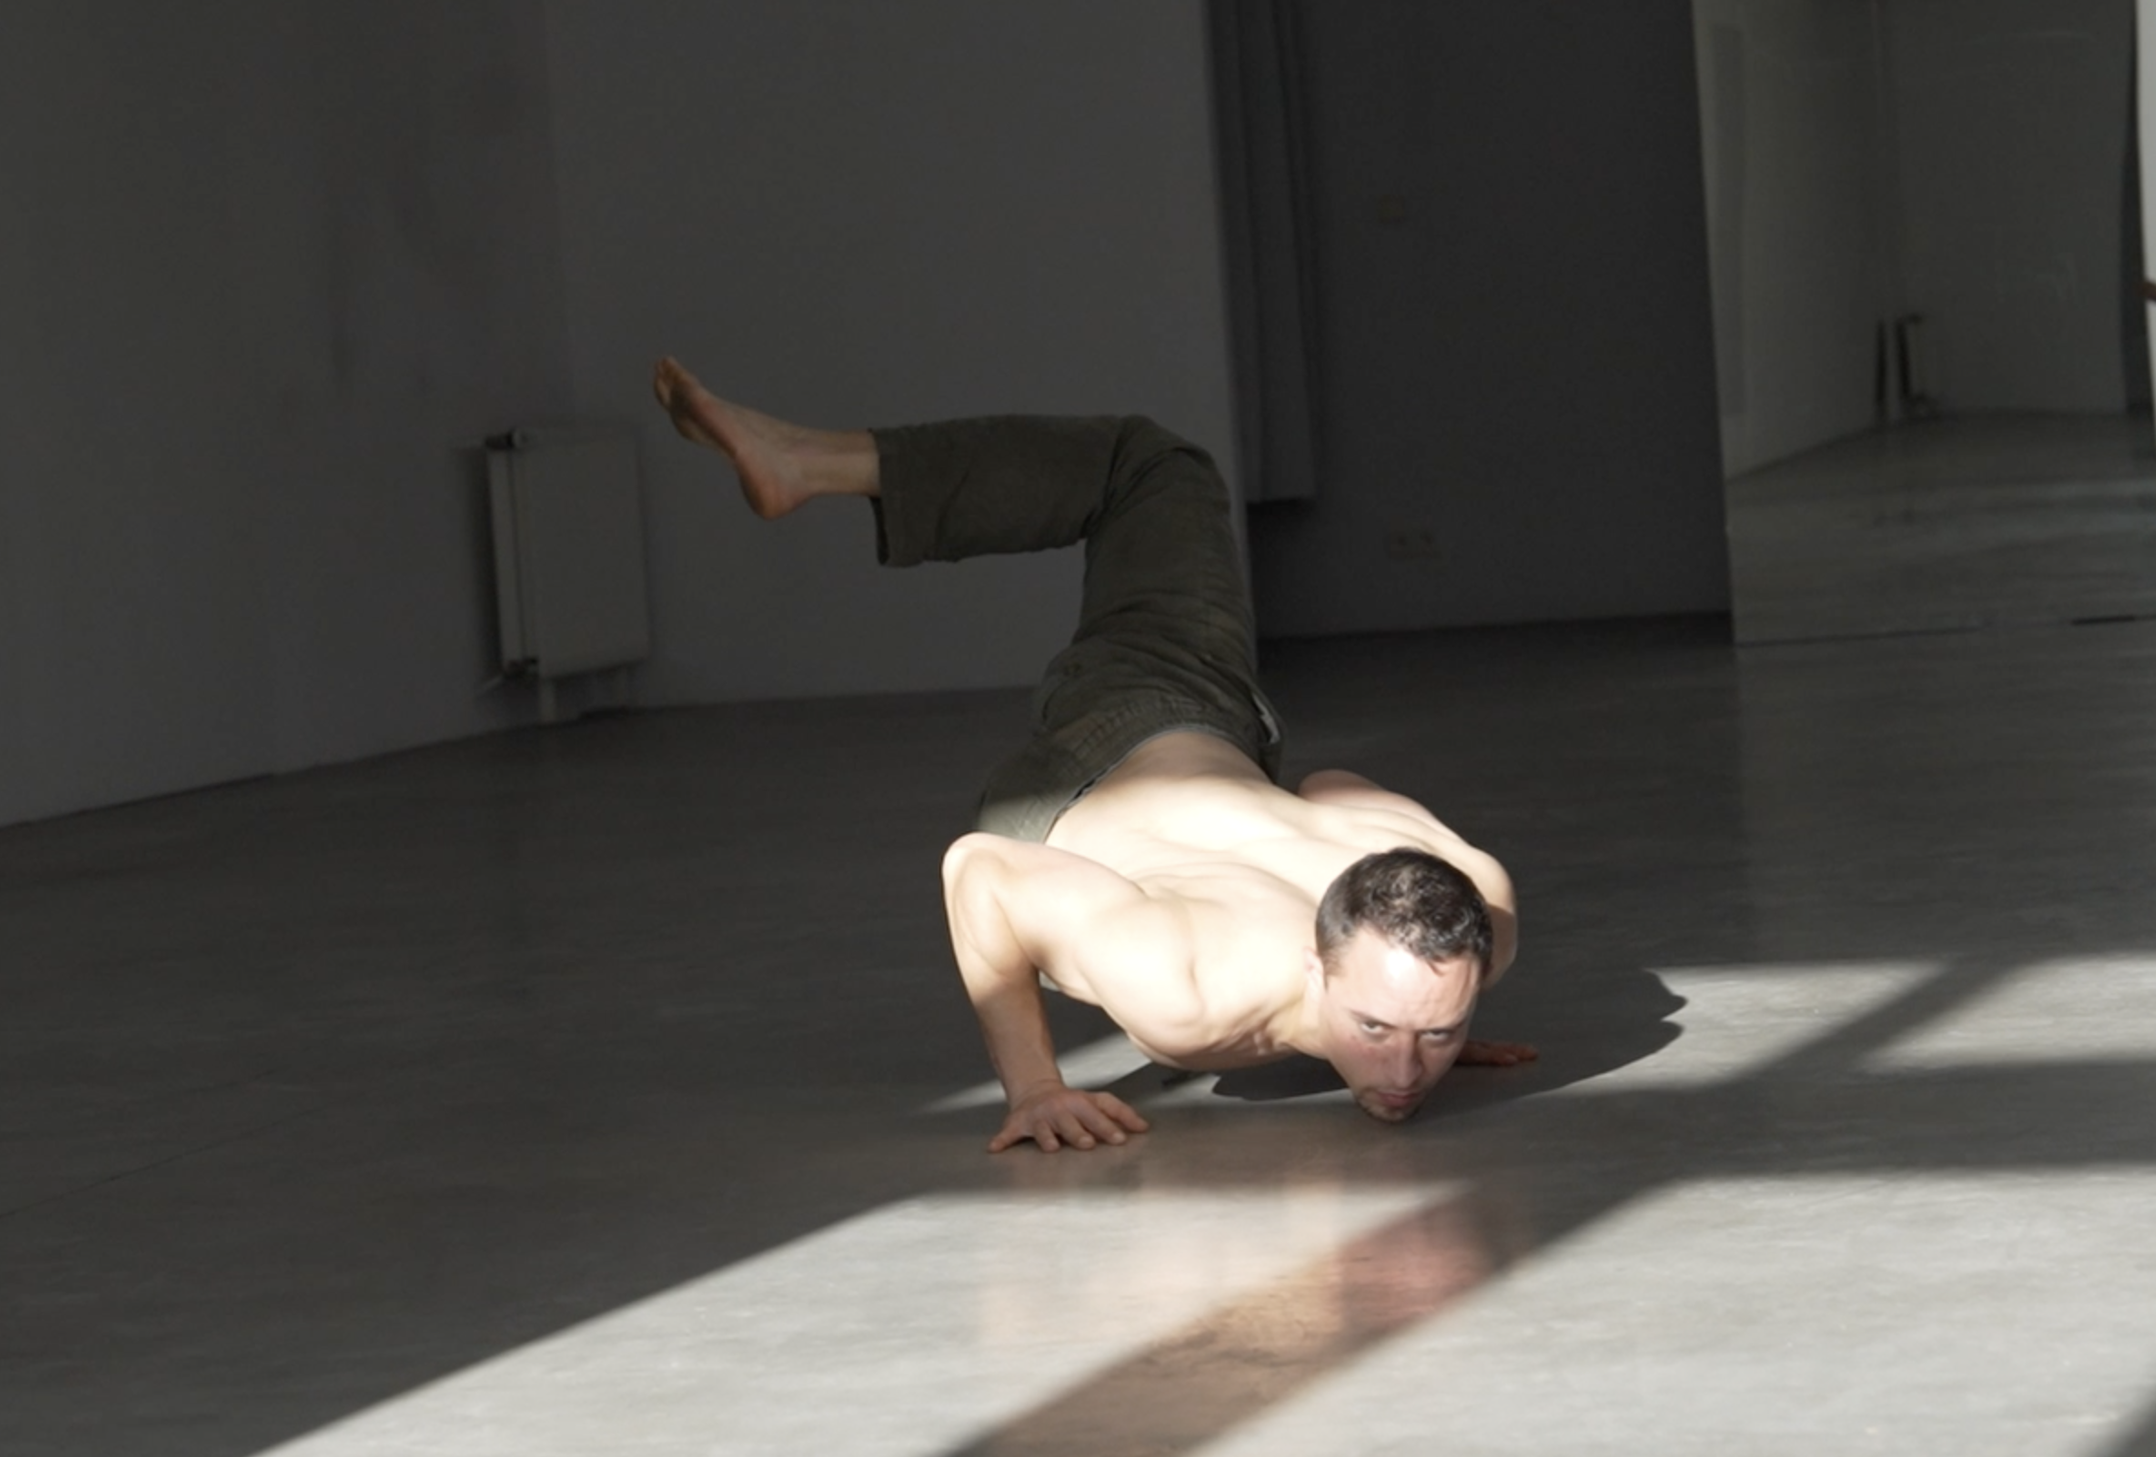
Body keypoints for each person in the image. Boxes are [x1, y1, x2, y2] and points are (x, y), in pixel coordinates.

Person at [652, 358, 1529, 1153]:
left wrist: (1409, 1012)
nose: (1409, 1072)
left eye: (1441, 1035)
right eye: (1376, 1028)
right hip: (1095, 763)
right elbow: (981, 870)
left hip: (1208, 736)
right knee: (1145, 467)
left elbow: (1333, 787)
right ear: (1313, 966)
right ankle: (806, 461)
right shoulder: (1190, 991)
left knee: (1157, 471)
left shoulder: (1479, 912)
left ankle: (812, 458)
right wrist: (1034, 1087)